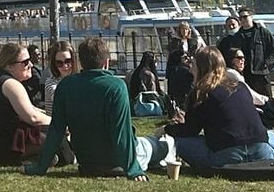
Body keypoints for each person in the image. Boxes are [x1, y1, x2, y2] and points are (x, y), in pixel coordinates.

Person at [23, 36, 172, 180]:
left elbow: (55, 130)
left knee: (149, 146)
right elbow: (121, 133)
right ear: (106, 62)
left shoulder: (65, 86)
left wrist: (40, 168)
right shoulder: (116, 86)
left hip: (87, 160)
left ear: (80, 62)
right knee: (162, 145)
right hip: (118, 160)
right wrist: (133, 170)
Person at [164, 47, 274, 167]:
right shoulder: (241, 86)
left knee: (181, 143)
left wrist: (168, 129)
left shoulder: (202, 93)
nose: (190, 68)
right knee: (272, 136)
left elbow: (190, 130)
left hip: (227, 155)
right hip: (261, 151)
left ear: (201, 68)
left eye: (193, 65)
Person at [229, 7, 274, 99]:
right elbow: (232, 54)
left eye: (245, 17)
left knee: (267, 101)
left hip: (261, 74)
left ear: (251, 17)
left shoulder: (263, 32)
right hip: (245, 74)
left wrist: (267, 64)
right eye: (240, 18)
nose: (243, 20)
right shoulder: (237, 36)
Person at [43, 40, 77, 115]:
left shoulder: (79, 80)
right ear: (54, 64)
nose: (65, 66)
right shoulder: (51, 83)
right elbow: (64, 101)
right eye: (59, 63)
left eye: (68, 61)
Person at [165, 48, 194, 113]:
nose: (188, 59)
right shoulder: (186, 72)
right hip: (186, 101)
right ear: (179, 59)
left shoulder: (172, 71)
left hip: (176, 101)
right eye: (185, 58)